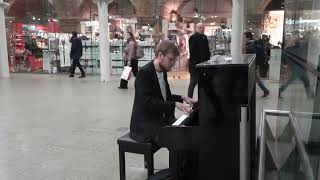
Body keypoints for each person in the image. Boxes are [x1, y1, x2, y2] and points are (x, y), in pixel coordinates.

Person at [130, 40, 194, 144]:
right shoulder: (144, 73)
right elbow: (148, 102)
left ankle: (182, 160)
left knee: (188, 133)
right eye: (171, 59)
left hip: (161, 120)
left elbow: (163, 96)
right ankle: (178, 160)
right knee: (179, 140)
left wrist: (182, 98)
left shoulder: (162, 72)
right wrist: (175, 105)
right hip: (146, 126)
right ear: (160, 55)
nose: (173, 63)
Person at [279, 31, 314, 98]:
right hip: (297, 66)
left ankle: (310, 94)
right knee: (293, 80)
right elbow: (287, 53)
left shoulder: (297, 44)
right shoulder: (293, 45)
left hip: (299, 65)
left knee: (305, 80)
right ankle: (281, 89)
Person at [188, 23, 211, 98]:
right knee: (193, 83)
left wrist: (208, 61)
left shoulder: (204, 37)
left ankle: (202, 101)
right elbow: (193, 52)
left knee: (202, 84)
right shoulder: (193, 37)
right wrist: (197, 64)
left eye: (203, 28)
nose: (202, 29)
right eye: (200, 28)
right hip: (195, 65)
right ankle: (189, 100)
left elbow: (207, 51)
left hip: (204, 65)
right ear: (196, 29)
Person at [245, 32, 270, 97]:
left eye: (244, 37)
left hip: (252, 64)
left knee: (255, 78)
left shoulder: (250, 45)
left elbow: (251, 55)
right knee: (254, 78)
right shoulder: (254, 43)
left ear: (248, 37)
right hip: (253, 64)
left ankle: (265, 91)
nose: (244, 39)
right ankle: (265, 91)